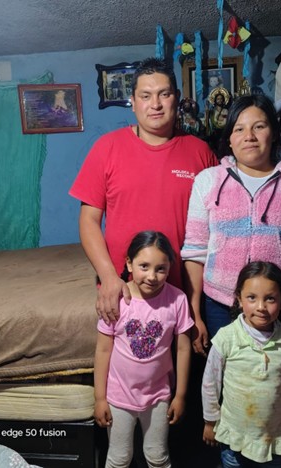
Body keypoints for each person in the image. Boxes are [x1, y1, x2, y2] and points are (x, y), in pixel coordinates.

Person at [69, 57, 217, 324]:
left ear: (177, 98)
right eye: (146, 96)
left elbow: (218, 224)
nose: (155, 104)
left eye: (164, 94)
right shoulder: (107, 148)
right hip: (125, 291)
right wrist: (108, 277)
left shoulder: (200, 151)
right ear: (134, 102)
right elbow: (88, 220)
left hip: (183, 293)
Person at [182, 94, 281, 356]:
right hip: (219, 307)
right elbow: (195, 252)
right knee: (224, 377)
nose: (249, 136)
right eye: (239, 129)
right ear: (230, 138)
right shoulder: (208, 182)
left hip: (280, 308)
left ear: (273, 133)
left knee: (275, 377)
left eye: (259, 126)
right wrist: (194, 314)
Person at [94, 230, 194, 468]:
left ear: (169, 268)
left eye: (161, 269)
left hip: (158, 397)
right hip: (119, 397)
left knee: (157, 456)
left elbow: (183, 349)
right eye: (144, 266)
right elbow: (103, 350)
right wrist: (99, 398)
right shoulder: (117, 301)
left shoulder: (178, 300)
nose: (152, 276)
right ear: (129, 264)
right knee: (119, 458)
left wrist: (180, 395)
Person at [202, 261, 281, 467]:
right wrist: (210, 422)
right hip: (234, 440)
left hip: (273, 442)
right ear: (239, 299)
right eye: (252, 298)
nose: (261, 307)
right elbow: (210, 384)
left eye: (270, 298)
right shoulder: (226, 338)